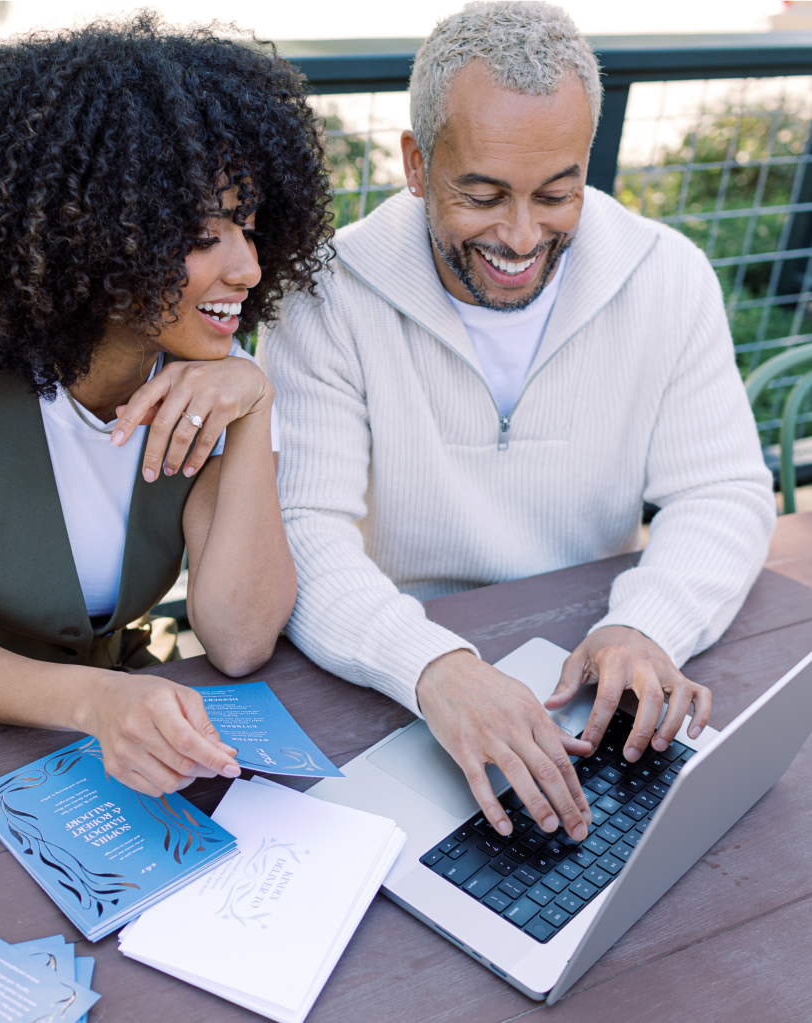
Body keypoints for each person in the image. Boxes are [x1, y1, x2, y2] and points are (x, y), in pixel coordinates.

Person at [263, 0, 776, 842]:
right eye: (483, 194)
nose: (521, 235)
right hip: (392, 677)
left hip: (591, 676)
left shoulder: (669, 277)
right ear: (417, 164)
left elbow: (722, 491)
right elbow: (302, 530)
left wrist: (649, 622)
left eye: (556, 192)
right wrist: (432, 665)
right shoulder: (326, 293)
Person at [0, 16, 333, 802]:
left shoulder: (211, 371)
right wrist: (96, 701)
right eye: (205, 235)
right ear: (90, 232)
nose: (249, 267)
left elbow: (238, 638)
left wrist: (256, 404)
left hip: (88, 747)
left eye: (253, 229)